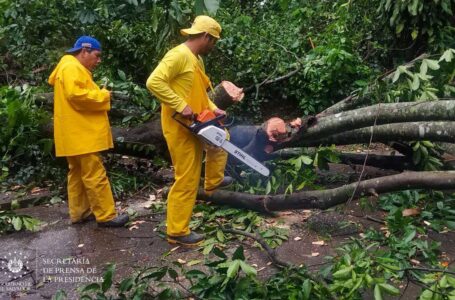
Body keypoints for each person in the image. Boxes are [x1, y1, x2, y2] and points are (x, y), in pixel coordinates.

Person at [146, 16, 232, 246]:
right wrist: (179, 104)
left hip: (197, 119)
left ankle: (213, 180)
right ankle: (176, 231)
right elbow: (154, 82)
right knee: (186, 178)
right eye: (213, 41)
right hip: (179, 125)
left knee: (223, 139)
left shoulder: (196, 60)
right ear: (205, 36)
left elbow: (201, 94)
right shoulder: (178, 55)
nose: (213, 46)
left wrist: (214, 109)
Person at [48, 36, 129, 227]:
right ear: (84, 51)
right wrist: (102, 95)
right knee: (95, 174)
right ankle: (107, 216)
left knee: (76, 174)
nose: (98, 60)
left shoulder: (68, 67)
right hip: (82, 134)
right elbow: (76, 95)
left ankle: (80, 213)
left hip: (73, 134)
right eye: (97, 55)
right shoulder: (71, 67)